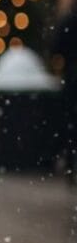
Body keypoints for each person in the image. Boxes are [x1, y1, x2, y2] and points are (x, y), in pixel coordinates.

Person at [53, 10, 77, 187]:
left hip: (71, 77)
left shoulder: (69, 21)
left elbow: (57, 48)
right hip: (71, 77)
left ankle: (70, 165)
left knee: (71, 124)